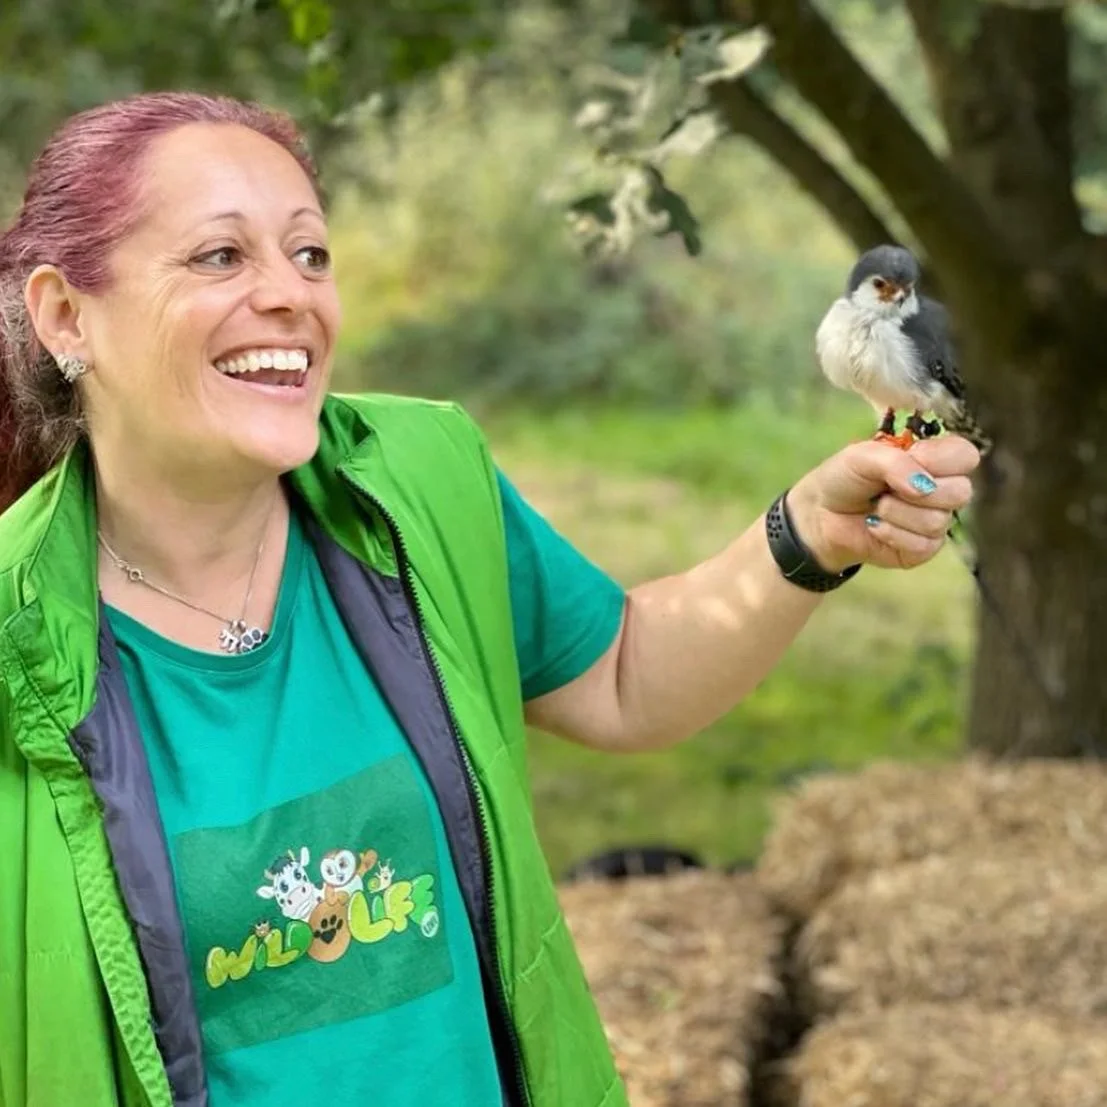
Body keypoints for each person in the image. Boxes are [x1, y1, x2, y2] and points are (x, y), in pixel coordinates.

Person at [0, 91, 979, 1107]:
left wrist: (809, 532)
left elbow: (625, 676)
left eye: (310, 254)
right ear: (68, 316)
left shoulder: (420, 482)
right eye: (220, 257)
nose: (290, 294)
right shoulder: (13, 641)